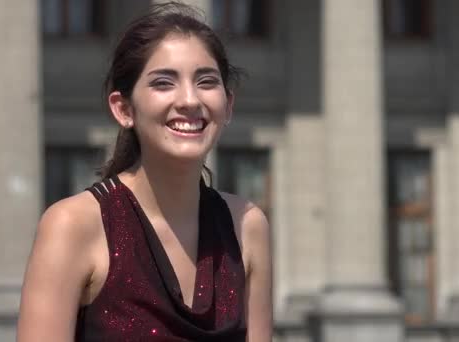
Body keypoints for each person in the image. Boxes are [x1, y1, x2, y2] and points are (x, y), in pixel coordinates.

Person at [17, 2, 272, 341]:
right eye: (164, 83)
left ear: (228, 105)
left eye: (206, 81)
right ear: (123, 109)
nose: (190, 100)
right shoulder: (73, 225)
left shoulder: (248, 225)